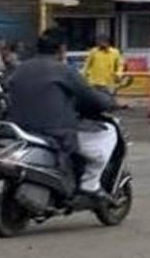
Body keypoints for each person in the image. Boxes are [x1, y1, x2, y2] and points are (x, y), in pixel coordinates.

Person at [6, 31, 118, 202]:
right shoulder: (63, 70)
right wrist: (109, 103)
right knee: (108, 132)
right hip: (55, 132)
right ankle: (90, 184)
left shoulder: (20, 68)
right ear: (62, 49)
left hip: (19, 128)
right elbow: (89, 96)